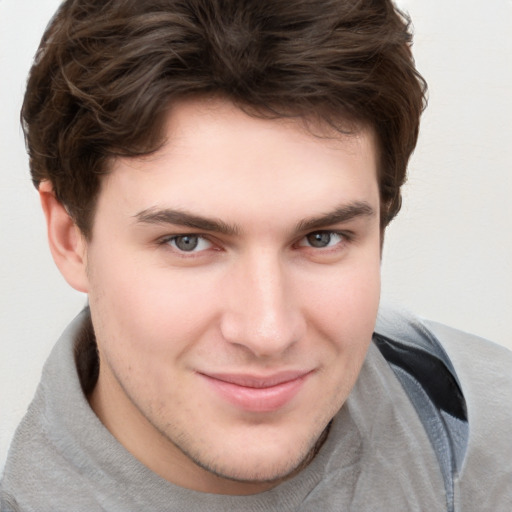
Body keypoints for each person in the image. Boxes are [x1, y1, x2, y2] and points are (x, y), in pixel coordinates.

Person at [1, 0, 511, 510]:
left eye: (321, 238)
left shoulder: (488, 427)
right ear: (70, 237)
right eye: (189, 242)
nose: (268, 332)